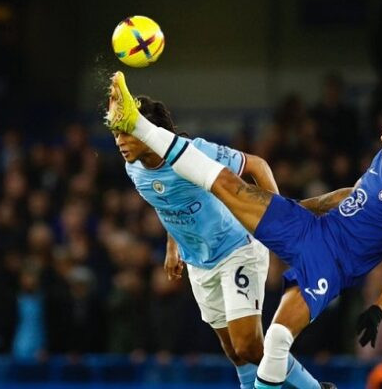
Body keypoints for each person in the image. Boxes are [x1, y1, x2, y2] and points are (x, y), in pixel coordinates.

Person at [106, 71, 382, 389]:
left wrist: (379, 308)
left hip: (327, 263)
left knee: (270, 341)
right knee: (239, 352)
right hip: (311, 229)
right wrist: (292, 210)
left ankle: (140, 124)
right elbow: (354, 196)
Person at [112, 95, 328, 389]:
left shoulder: (194, 152)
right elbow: (168, 203)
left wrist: (279, 223)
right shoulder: (134, 168)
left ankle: (314, 388)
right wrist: (172, 246)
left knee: (248, 346)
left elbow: (258, 165)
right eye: (116, 134)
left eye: (126, 133)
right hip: (199, 262)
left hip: (237, 247)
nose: (120, 142)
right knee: (234, 353)